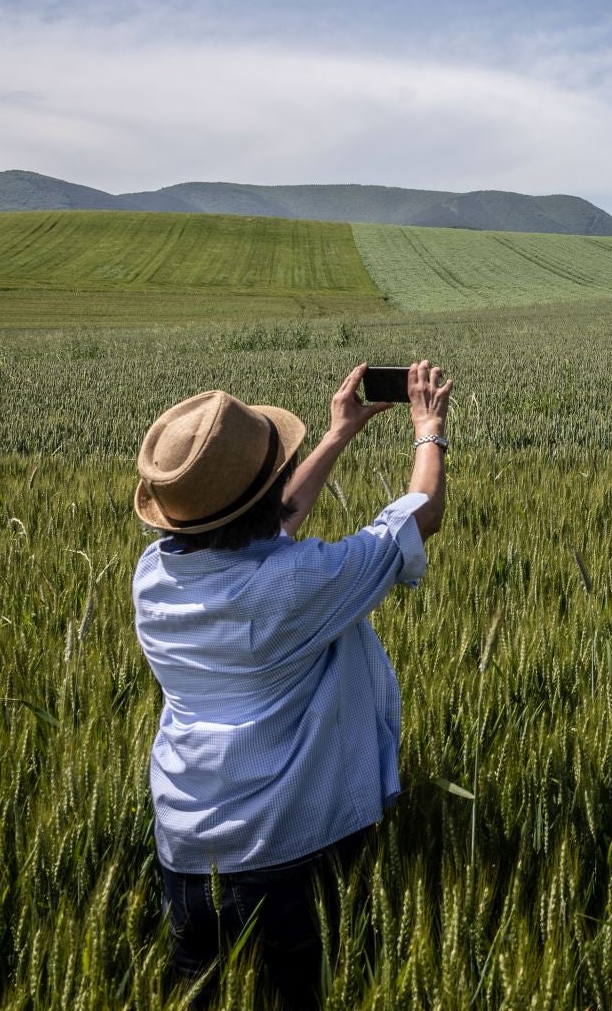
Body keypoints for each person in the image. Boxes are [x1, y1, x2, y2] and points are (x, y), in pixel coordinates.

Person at [130, 360, 453, 1008]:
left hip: (188, 851)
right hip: (287, 848)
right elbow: (417, 520)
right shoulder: (296, 583)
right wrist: (428, 430)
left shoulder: (154, 575)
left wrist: (337, 436)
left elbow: (267, 527)